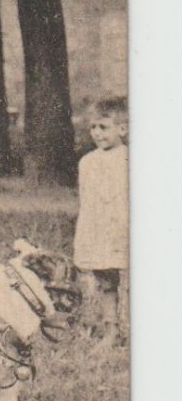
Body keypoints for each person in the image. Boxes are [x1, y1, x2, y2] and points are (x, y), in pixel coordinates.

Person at [74, 95, 128, 346]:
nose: (97, 133)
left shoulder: (128, 160)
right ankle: (111, 329)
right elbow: (87, 202)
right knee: (106, 280)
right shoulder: (87, 162)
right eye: (93, 127)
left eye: (103, 127)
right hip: (100, 230)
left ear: (122, 129)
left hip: (124, 229)